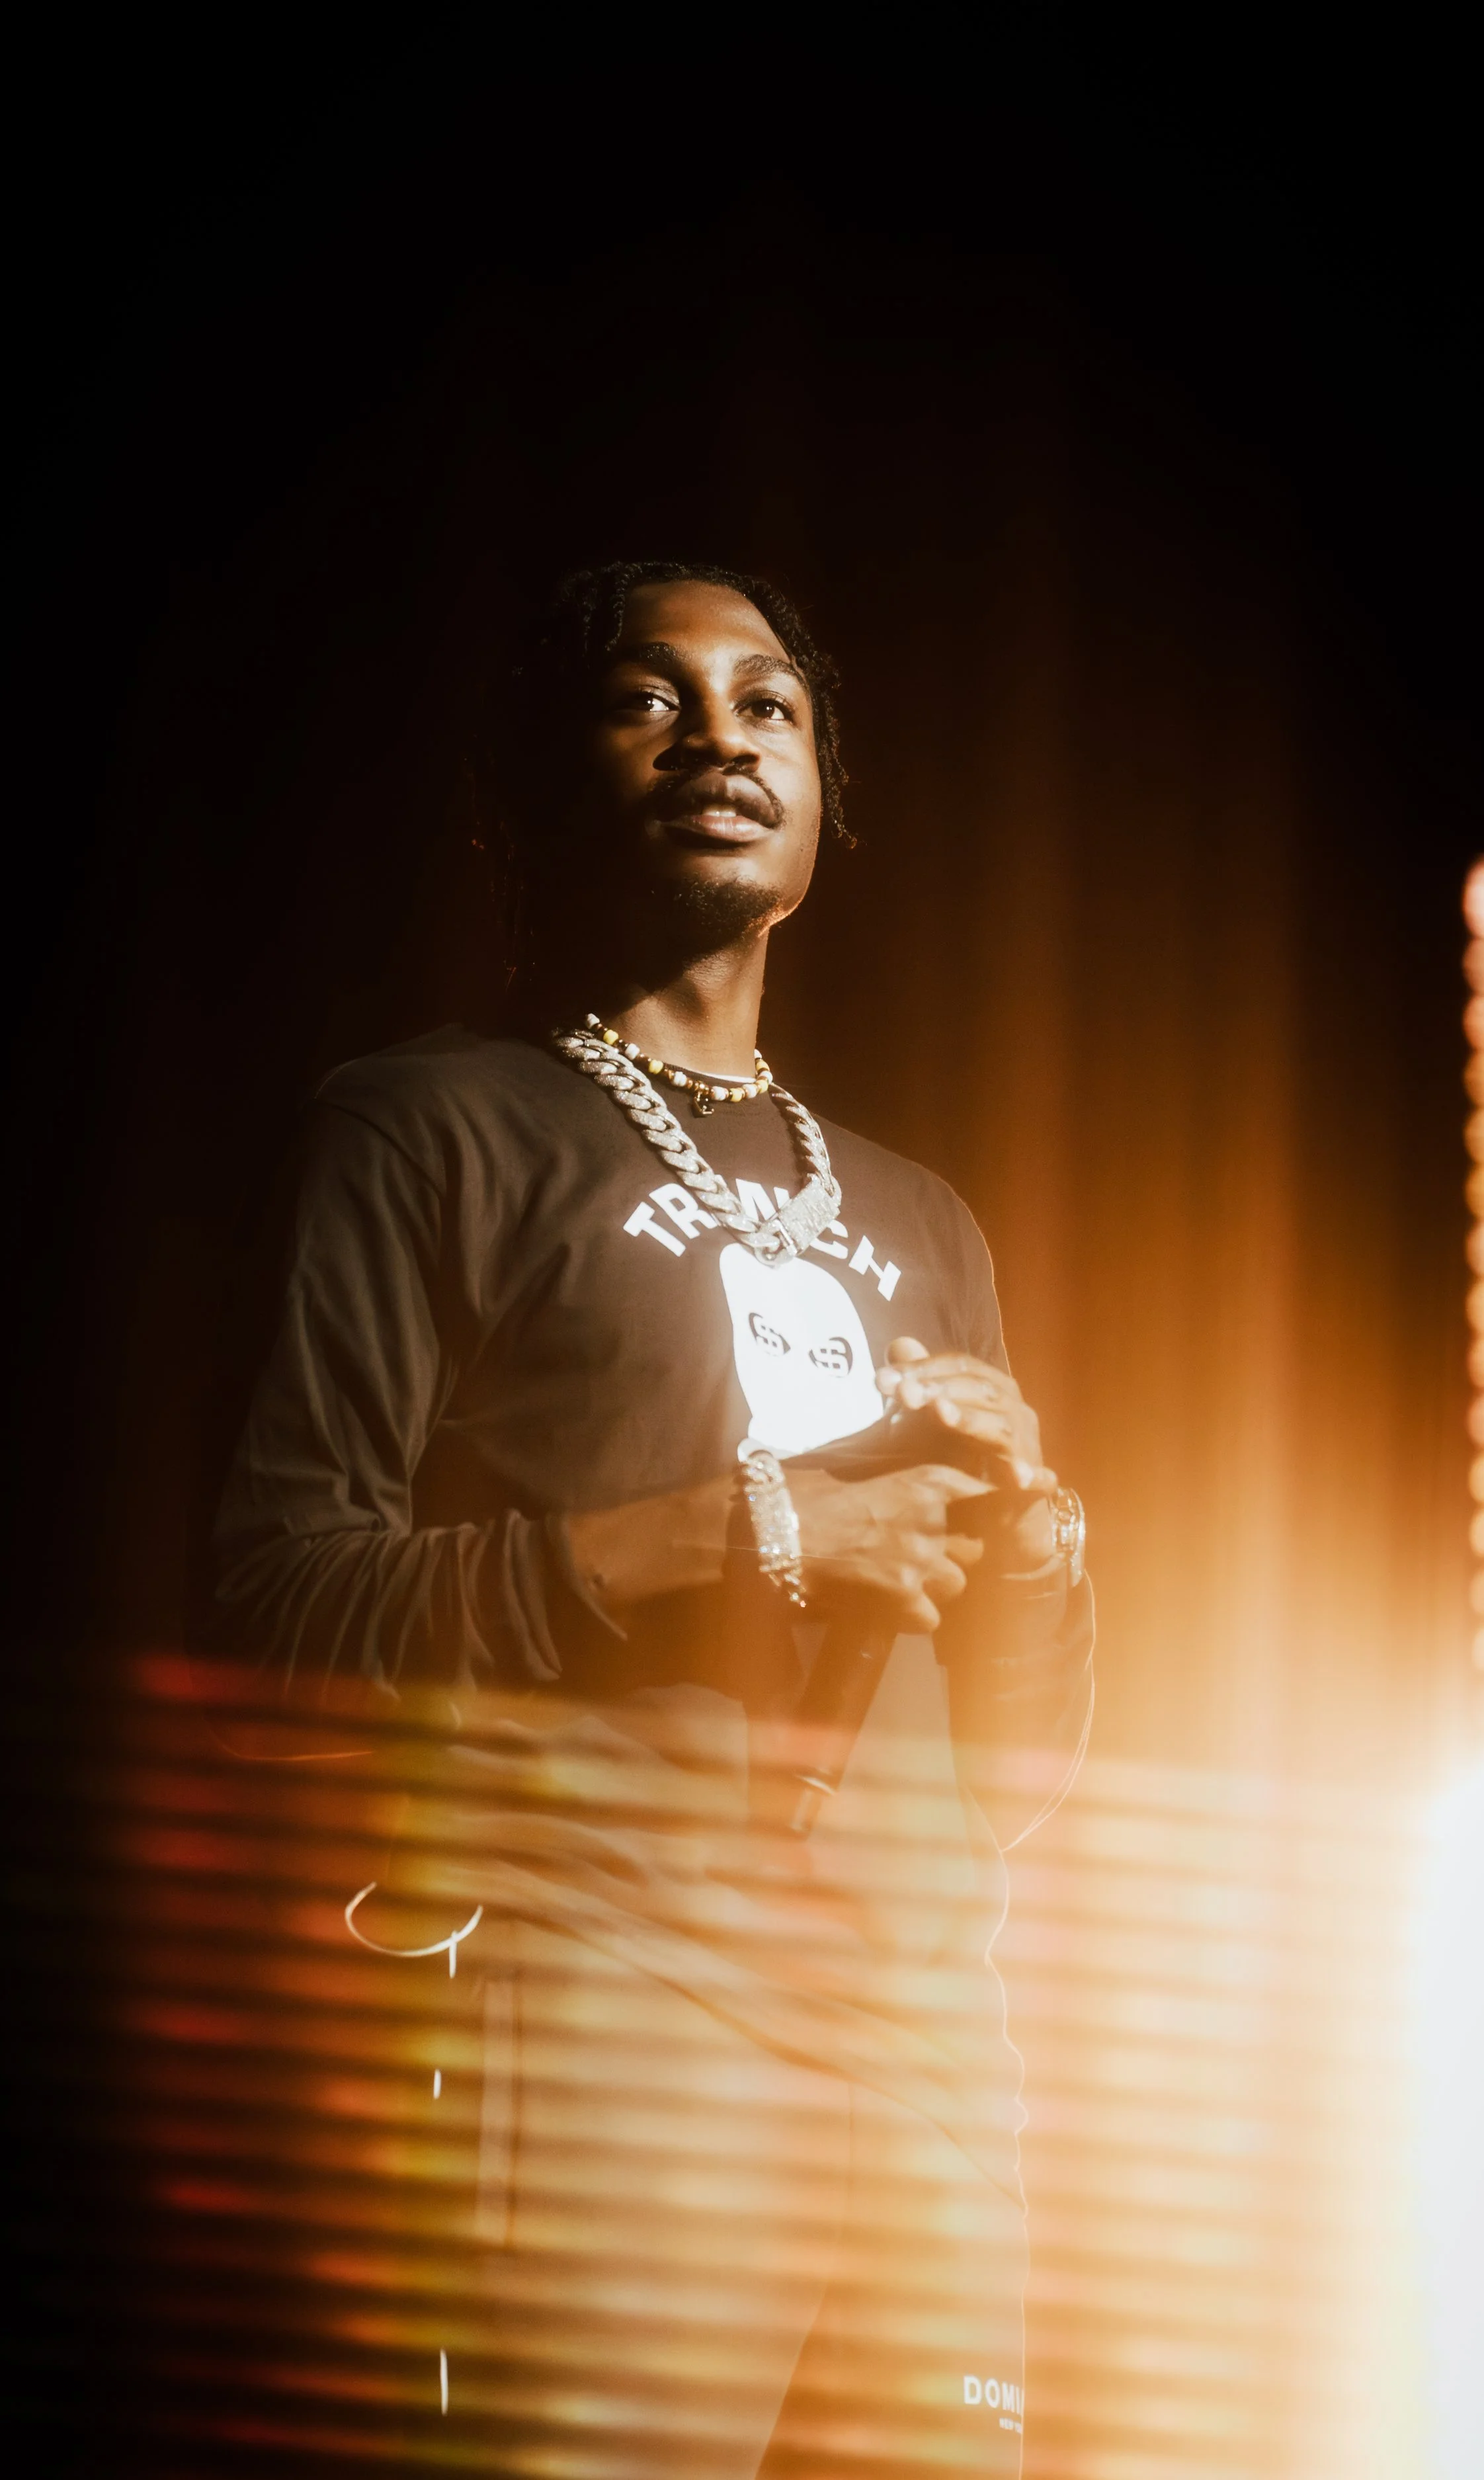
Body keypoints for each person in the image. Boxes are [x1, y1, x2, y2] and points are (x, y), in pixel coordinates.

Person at [212, 559, 1093, 2477]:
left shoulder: (925, 1216)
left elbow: (1006, 1768)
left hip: (931, 2054)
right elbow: (282, 1607)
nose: (719, 735)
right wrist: (733, 1535)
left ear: (821, 796)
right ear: (535, 787)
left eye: (769, 704)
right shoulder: (427, 1126)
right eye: (647, 696)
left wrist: (1032, 1550)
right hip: (612, 1998)